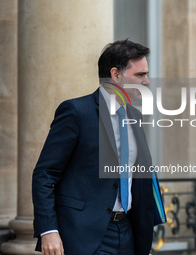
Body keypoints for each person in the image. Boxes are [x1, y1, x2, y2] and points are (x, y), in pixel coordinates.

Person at [32, 39, 164, 255]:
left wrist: (145, 228)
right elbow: (45, 174)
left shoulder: (135, 117)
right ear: (116, 74)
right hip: (83, 234)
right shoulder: (76, 112)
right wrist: (48, 230)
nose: (147, 82)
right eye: (140, 75)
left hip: (127, 232)